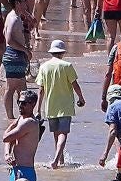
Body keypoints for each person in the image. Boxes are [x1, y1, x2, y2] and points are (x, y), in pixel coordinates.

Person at [35, 39, 84, 168]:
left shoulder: (44, 67)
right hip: (65, 106)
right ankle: (57, 160)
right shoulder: (67, 66)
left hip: (50, 106)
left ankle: (60, 160)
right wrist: (81, 98)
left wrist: (38, 109)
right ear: (62, 52)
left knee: (56, 135)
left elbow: (41, 90)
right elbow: (75, 84)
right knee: (63, 133)